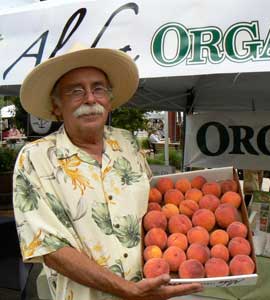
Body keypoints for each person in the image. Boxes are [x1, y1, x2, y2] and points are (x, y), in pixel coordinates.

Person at [13, 46, 203, 300]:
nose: (90, 98)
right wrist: (127, 289)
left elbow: (155, 212)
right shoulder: (35, 158)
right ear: (56, 107)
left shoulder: (127, 143)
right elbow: (48, 246)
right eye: (76, 91)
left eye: (98, 88)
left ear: (109, 100)